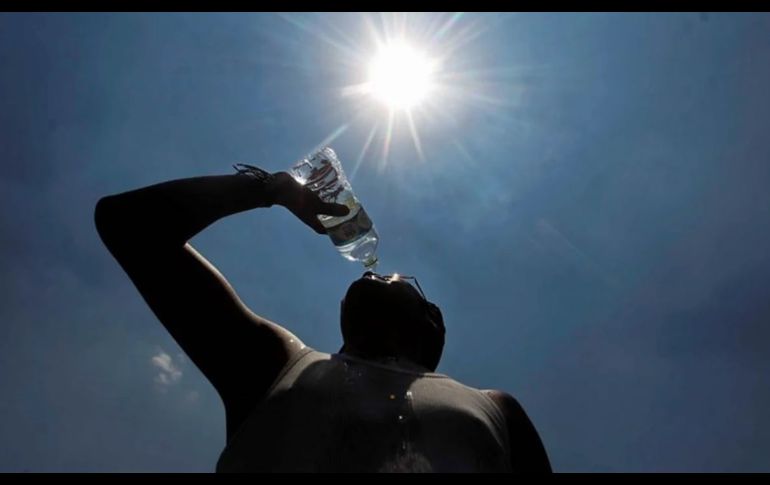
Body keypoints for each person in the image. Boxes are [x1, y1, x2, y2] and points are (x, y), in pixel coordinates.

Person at [94, 165, 552, 473]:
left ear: (433, 319)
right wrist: (269, 189)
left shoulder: (497, 409)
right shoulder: (277, 367)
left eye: (397, 278)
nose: (383, 274)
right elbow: (129, 225)